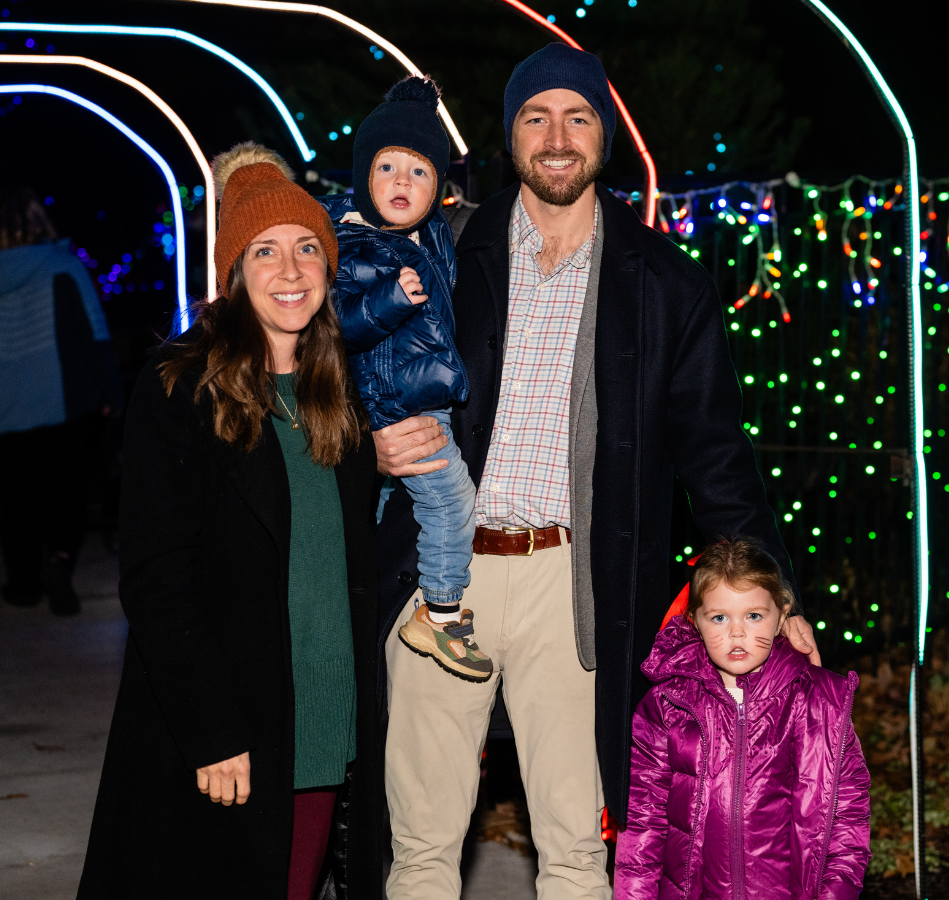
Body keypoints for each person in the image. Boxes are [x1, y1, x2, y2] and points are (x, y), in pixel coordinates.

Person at [373, 42, 821, 899]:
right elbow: (357, 365)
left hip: (575, 585)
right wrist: (375, 439)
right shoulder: (445, 250)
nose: (556, 137)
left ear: (603, 137)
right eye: (535, 117)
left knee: (578, 848)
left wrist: (780, 593)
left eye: (577, 117)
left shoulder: (666, 286)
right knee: (422, 844)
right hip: (444, 577)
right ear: (510, 137)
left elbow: (716, 454)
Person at [77, 144, 383, 900]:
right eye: (266, 251)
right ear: (235, 273)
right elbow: (156, 576)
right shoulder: (180, 385)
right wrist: (212, 729)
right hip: (230, 720)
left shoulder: (336, 391)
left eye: (308, 249)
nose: (290, 270)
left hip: (319, 713)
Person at [318, 75, 490, 683]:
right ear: (364, 175)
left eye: (419, 172)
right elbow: (333, 326)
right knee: (452, 500)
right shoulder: (348, 243)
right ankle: (442, 613)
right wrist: (388, 300)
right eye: (387, 167)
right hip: (398, 402)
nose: (401, 182)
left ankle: (368, 590)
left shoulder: (432, 236)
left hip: (418, 391)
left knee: (398, 507)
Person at [615, 538, 871, 900]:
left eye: (754, 616)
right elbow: (642, 825)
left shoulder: (818, 703)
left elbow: (847, 819)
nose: (737, 632)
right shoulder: (666, 706)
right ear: (695, 621)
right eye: (719, 617)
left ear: (782, 614)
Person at [0, 185, 124, 615]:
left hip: (6, 411)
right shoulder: (63, 266)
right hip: (66, 403)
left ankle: (21, 584)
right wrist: (113, 396)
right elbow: (95, 335)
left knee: (15, 500)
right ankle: (60, 562)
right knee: (65, 493)